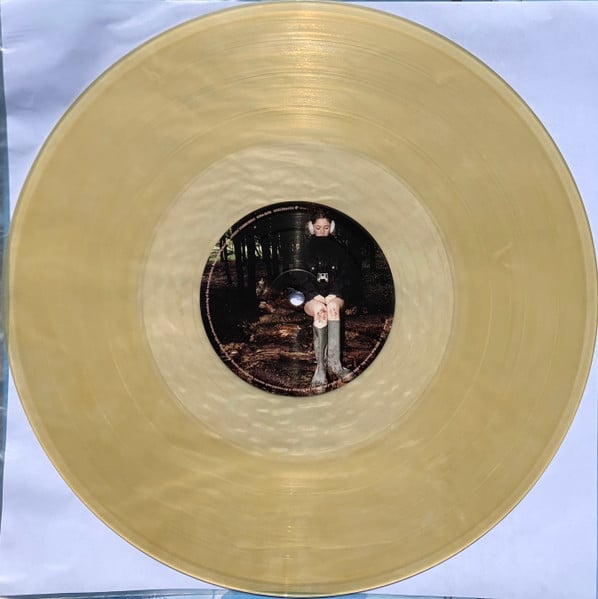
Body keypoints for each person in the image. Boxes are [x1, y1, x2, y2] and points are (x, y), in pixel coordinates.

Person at [301, 210, 355, 388]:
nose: (322, 231)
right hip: (312, 297)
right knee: (320, 312)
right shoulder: (304, 250)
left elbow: (346, 275)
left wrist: (334, 292)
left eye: (326, 227)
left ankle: (335, 365)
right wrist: (313, 294)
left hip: (334, 295)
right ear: (311, 228)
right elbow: (300, 277)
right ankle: (321, 369)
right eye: (318, 228)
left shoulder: (340, 249)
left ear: (331, 227)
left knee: (332, 308)